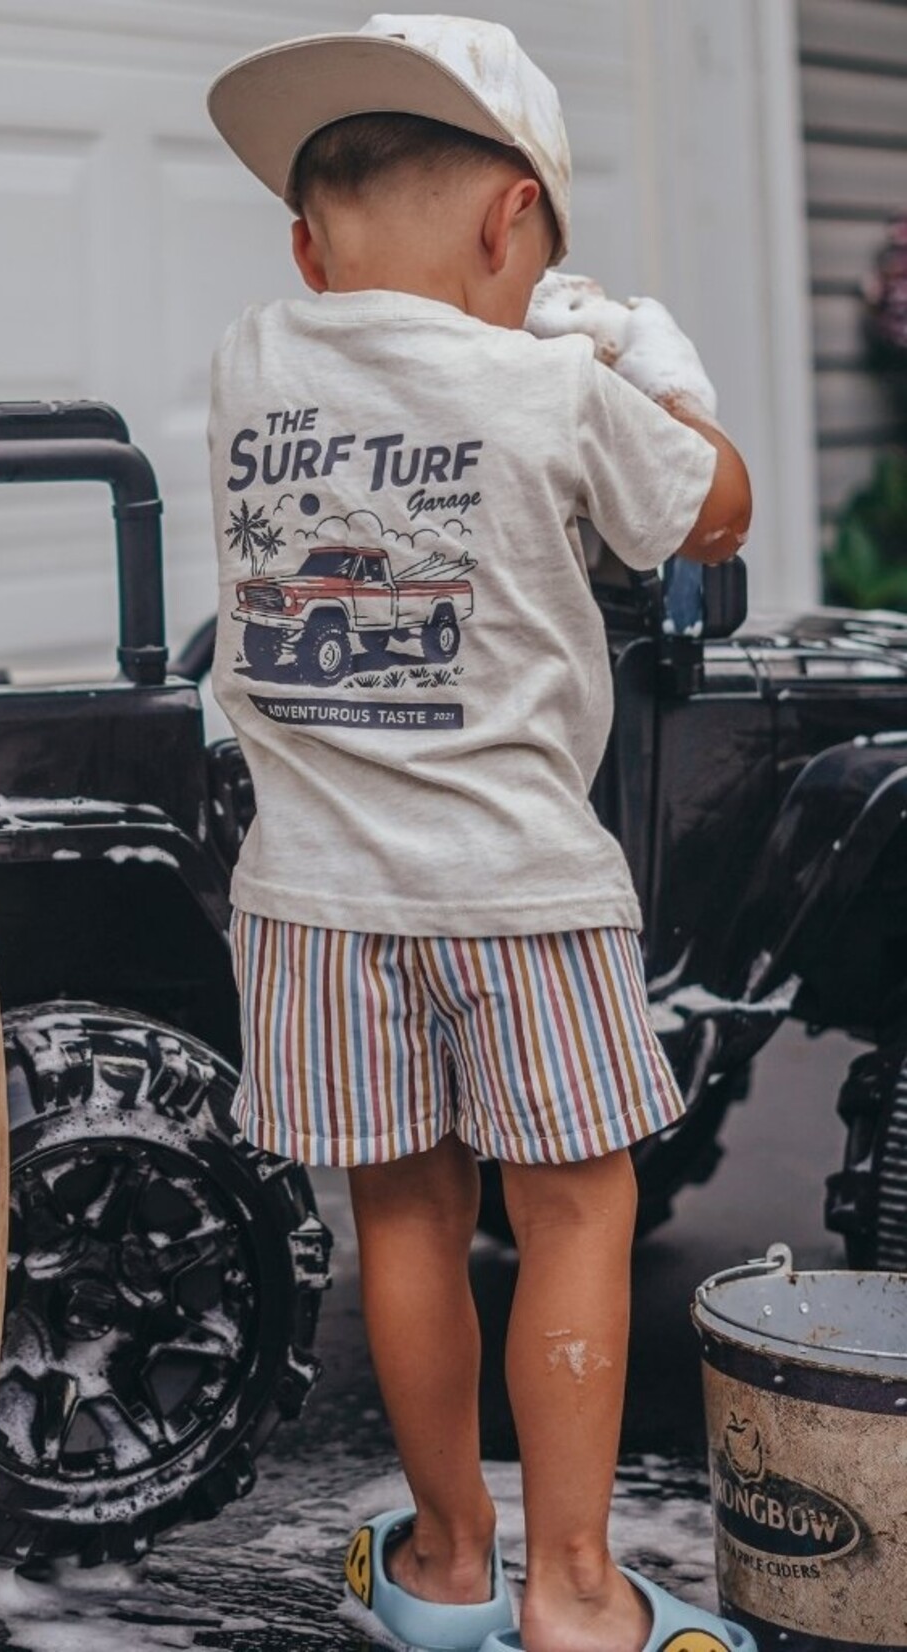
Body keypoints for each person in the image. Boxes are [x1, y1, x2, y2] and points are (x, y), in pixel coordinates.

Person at [205, 16, 754, 1652]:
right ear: (514, 221)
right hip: (520, 894)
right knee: (575, 1209)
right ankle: (579, 1598)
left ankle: (446, 1565)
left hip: (315, 900)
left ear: (304, 244)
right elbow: (711, 507)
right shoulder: (549, 383)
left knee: (405, 1218)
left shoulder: (246, 361)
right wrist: (642, 362)